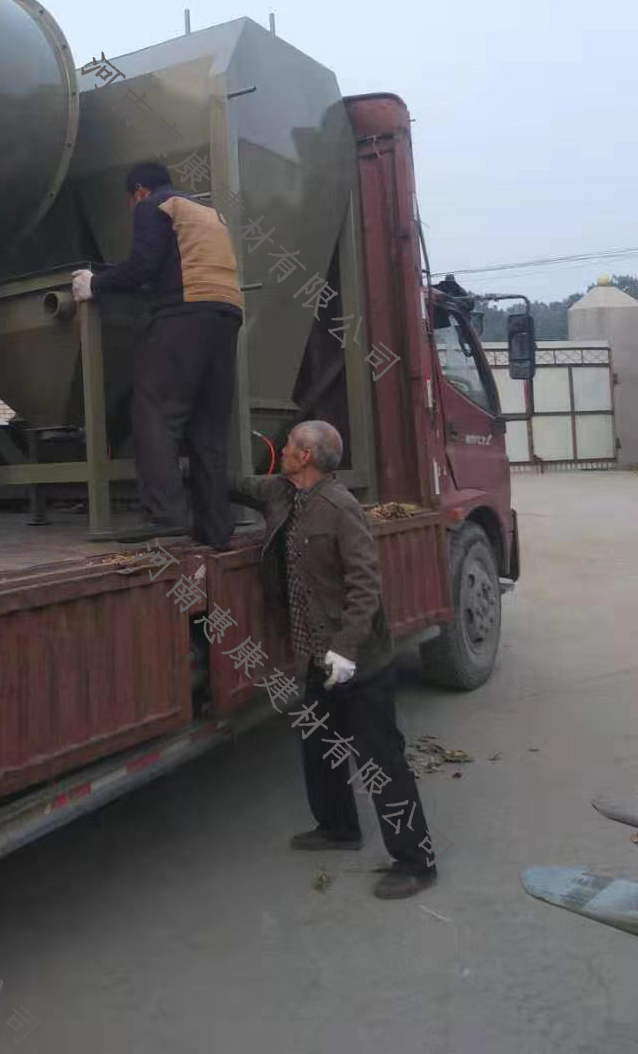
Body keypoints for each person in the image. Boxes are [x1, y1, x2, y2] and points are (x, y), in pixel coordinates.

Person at [230, 420, 438, 900]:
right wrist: (189, 466)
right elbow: (241, 485)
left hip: (358, 659)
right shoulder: (281, 492)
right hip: (314, 655)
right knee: (320, 744)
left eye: (288, 445)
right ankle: (338, 827)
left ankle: (416, 861)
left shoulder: (342, 509)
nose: (281, 449)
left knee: (381, 760)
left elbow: (365, 586)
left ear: (305, 455)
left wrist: (345, 650)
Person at [71, 161, 243, 550]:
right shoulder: (207, 212)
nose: (132, 207)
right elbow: (168, 267)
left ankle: (167, 518)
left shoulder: (155, 205)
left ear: (138, 191)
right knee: (209, 428)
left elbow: (143, 265)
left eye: (130, 201)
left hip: (185, 314)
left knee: (155, 413)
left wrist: (96, 284)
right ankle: (216, 528)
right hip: (227, 315)